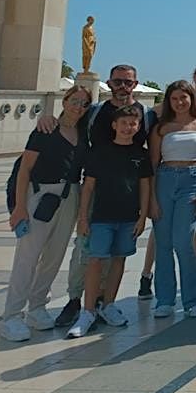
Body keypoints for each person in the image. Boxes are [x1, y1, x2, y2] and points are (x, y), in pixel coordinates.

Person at [34, 64, 156, 327]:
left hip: (126, 192)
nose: (123, 87)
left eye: (128, 82)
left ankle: (103, 300)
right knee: (85, 248)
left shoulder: (145, 116)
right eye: (118, 82)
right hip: (95, 188)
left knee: (116, 253)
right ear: (109, 84)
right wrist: (47, 118)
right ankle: (76, 299)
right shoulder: (95, 112)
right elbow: (69, 122)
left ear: (135, 85)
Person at [1, 86, 90, 341]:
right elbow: (24, 170)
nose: (78, 107)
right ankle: (12, 315)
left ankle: (37, 307)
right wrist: (19, 207)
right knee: (28, 257)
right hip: (40, 195)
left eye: (84, 104)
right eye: (75, 101)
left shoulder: (83, 134)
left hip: (70, 195)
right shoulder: (45, 130)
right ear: (64, 101)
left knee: (54, 255)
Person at [66, 104, 152, 337]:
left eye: (132, 124)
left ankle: (109, 304)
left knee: (119, 260)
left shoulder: (141, 154)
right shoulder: (100, 151)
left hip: (128, 217)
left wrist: (143, 216)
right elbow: (89, 186)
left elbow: (145, 186)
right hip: (102, 216)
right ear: (114, 125)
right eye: (123, 123)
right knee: (95, 261)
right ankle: (88, 310)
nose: (128, 127)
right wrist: (83, 217)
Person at [149, 80, 196, 319]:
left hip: (193, 180)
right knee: (163, 243)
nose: (179, 102)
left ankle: (193, 297)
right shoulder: (161, 128)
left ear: (191, 99)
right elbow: (153, 164)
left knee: (184, 242)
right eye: (174, 98)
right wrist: (152, 199)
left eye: (183, 98)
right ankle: (164, 299)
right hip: (165, 180)